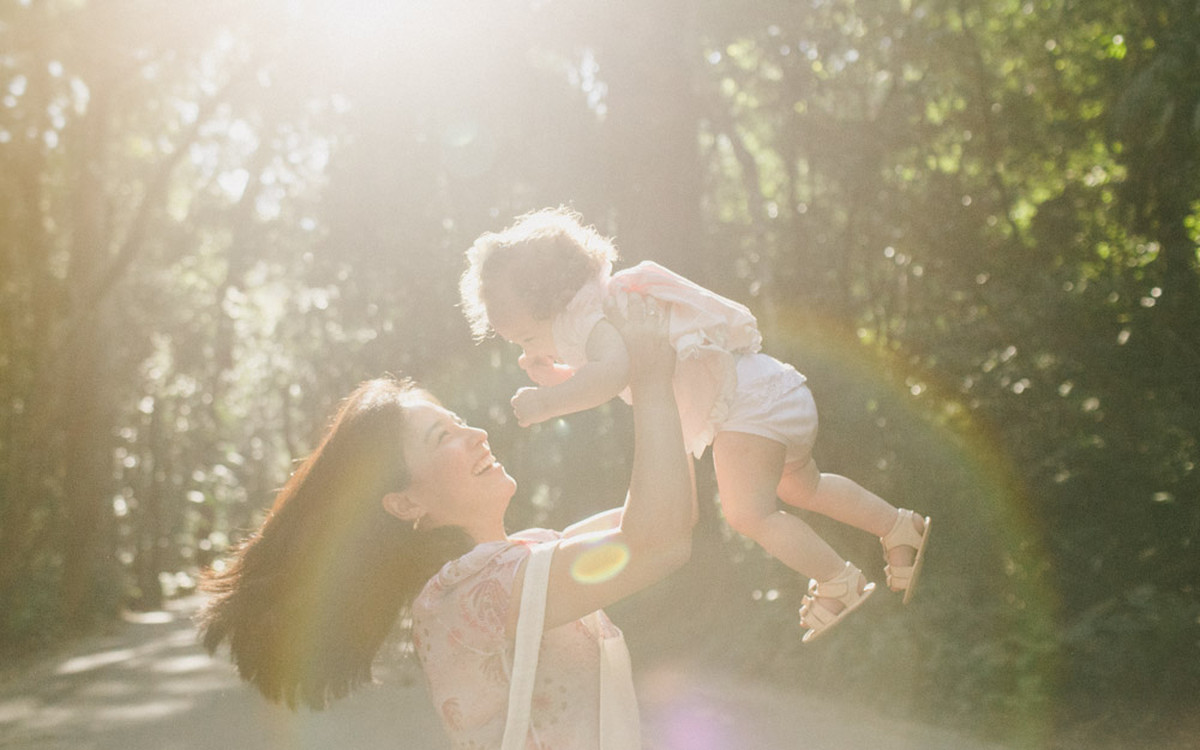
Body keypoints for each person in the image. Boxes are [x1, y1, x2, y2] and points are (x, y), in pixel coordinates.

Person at [197, 292, 694, 748]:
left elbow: (668, 514)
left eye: (458, 422)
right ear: (406, 503)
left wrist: (625, 378)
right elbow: (659, 540)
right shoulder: (463, 596)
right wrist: (649, 379)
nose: (476, 433)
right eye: (442, 437)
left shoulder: (527, 555)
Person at [460, 206, 932, 642]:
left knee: (748, 513)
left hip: (743, 407)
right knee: (803, 487)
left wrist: (550, 401)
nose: (528, 347)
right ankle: (897, 526)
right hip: (770, 390)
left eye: (526, 336)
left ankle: (837, 579)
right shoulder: (602, 304)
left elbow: (609, 376)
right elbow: (615, 364)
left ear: (553, 298)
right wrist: (560, 374)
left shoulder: (585, 319)